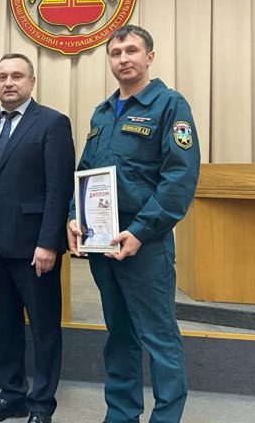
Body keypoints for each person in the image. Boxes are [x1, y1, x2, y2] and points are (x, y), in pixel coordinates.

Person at [66, 25, 200, 423]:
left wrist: (141, 232)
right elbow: (86, 172)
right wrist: (75, 217)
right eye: (115, 52)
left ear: (149, 57)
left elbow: (179, 178)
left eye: (131, 50)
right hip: (102, 243)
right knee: (119, 335)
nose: (123, 58)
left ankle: (166, 417)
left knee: (158, 338)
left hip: (146, 244)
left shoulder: (170, 106)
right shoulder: (102, 113)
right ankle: (121, 414)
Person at [0, 54, 75, 423]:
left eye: (17, 76)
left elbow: (58, 188)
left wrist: (49, 242)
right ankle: (11, 393)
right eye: (2, 76)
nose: (9, 82)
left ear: (32, 81)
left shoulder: (51, 123)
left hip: (35, 246)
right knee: (3, 324)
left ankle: (42, 404)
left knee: (44, 326)